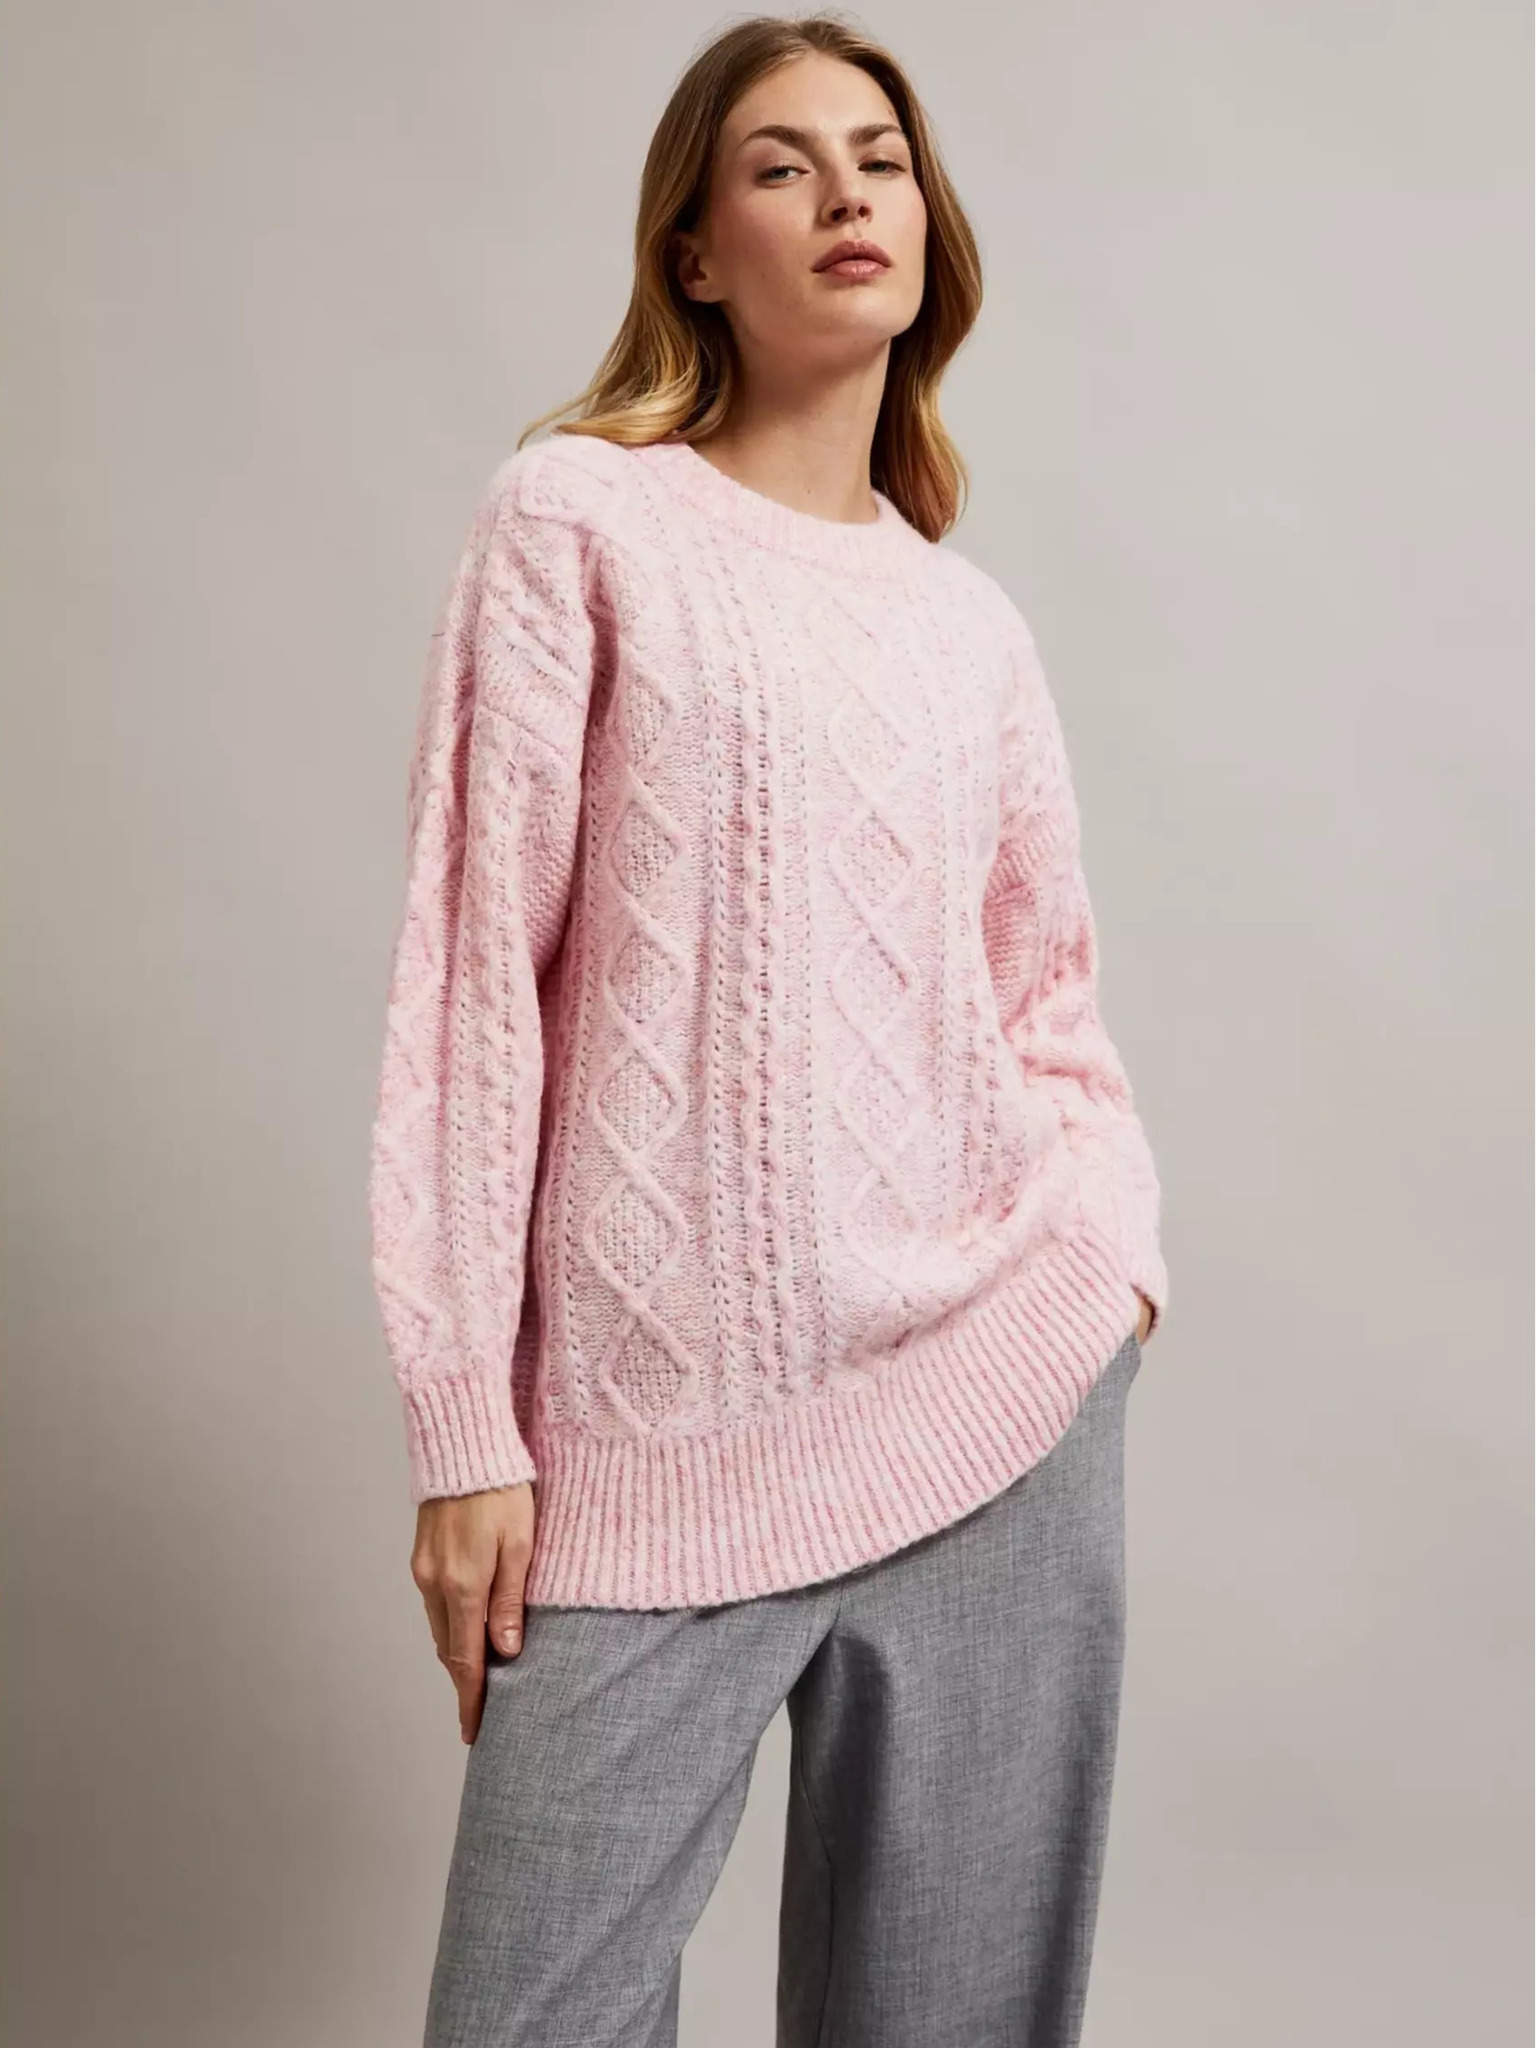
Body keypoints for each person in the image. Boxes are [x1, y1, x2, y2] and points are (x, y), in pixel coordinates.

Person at [367, 14, 1169, 2046]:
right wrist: (467, 1428)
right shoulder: (579, 522)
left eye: (880, 158)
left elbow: (1048, 1002)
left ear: (929, 224)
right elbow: (473, 991)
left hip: (998, 1404)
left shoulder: (968, 628)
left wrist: (1113, 1258)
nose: (845, 197)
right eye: (783, 164)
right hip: (653, 1441)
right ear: (696, 250)